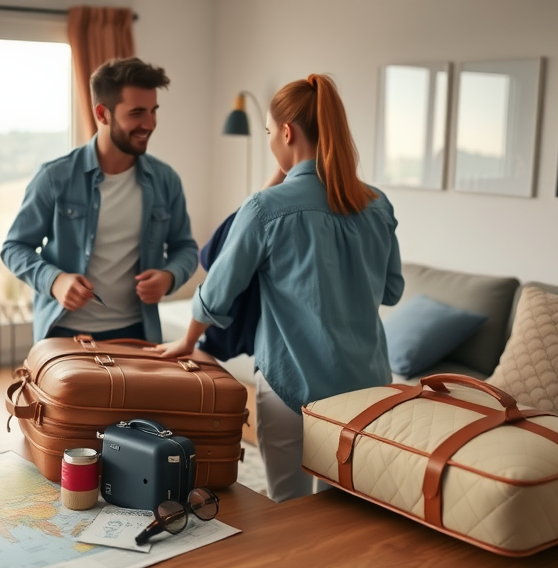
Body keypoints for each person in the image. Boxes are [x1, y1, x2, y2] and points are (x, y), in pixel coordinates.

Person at [156, 74, 404, 503]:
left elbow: (217, 292)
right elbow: (392, 291)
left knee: (287, 510)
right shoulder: (377, 203)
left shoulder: (266, 208)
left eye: (271, 132)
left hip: (292, 386)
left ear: (287, 132)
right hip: (367, 390)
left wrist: (188, 339)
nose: (271, 140)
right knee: (343, 514)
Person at [1, 57, 198, 343]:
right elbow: (13, 248)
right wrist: (54, 281)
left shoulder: (166, 180)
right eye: (137, 113)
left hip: (138, 333)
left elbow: (186, 248)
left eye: (154, 111)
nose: (150, 123)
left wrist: (170, 276)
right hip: (65, 333)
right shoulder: (55, 177)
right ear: (102, 114)